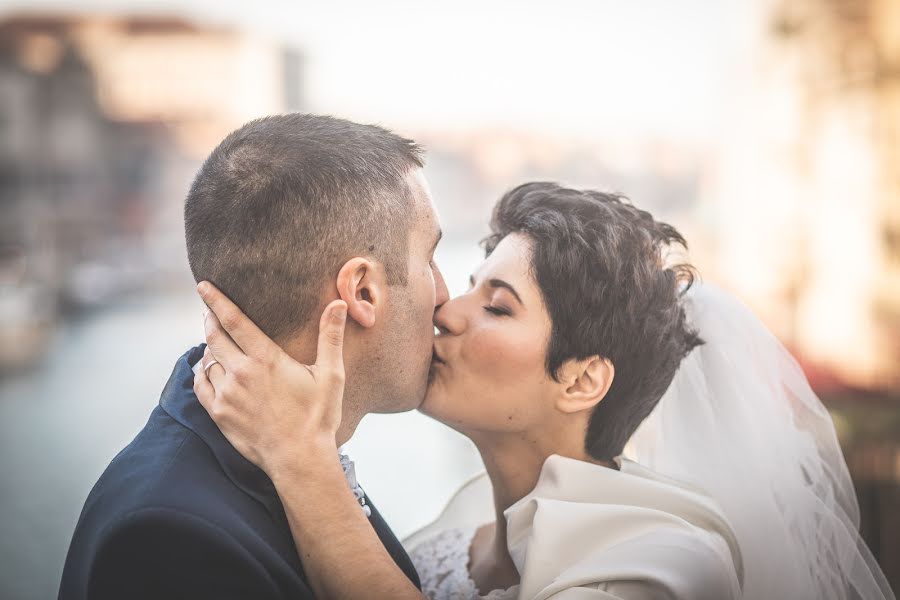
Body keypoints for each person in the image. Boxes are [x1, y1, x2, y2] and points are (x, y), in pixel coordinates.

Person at [196, 183, 895, 600]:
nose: (446, 311)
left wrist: (304, 461)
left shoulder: (660, 571)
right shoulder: (446, 546)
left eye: (497, 307)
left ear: (582, 379)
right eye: (470, 285)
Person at [58, 113, 449, 599]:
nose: (445, 294)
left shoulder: (282, 461)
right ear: (363, 292)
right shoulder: (172, 538)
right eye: (430, 257)